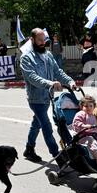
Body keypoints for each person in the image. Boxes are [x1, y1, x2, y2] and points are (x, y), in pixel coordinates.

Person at [20, 28, 77, 167]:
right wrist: (50, 84)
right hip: (36, 99)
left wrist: (70, 81)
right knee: (46, 126)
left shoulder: (48, 55)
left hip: (47, 98)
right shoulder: (26, 58)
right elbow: (33, 78)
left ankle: (29, 148)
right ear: (32, 40)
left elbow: (58, 71)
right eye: (39, 40)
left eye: (43, 40)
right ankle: (57, 155)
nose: (42, 43)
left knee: (37, 123)